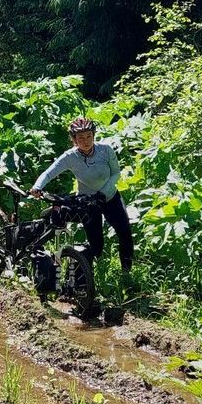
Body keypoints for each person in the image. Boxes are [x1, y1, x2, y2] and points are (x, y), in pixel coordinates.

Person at [30, 117, 133, 283]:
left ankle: (126, 275)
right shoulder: (70, 157)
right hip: (87, 202)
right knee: (96, 244)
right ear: (74, 139)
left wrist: (103, 193)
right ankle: (86, 279)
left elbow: (116, 173)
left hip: (110, 198)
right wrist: (37, 186)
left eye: (89, 136)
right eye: (80, 138)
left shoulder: (105, 150)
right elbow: (49, 173)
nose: (85, 141)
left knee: (125, 234)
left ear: (94, 135)